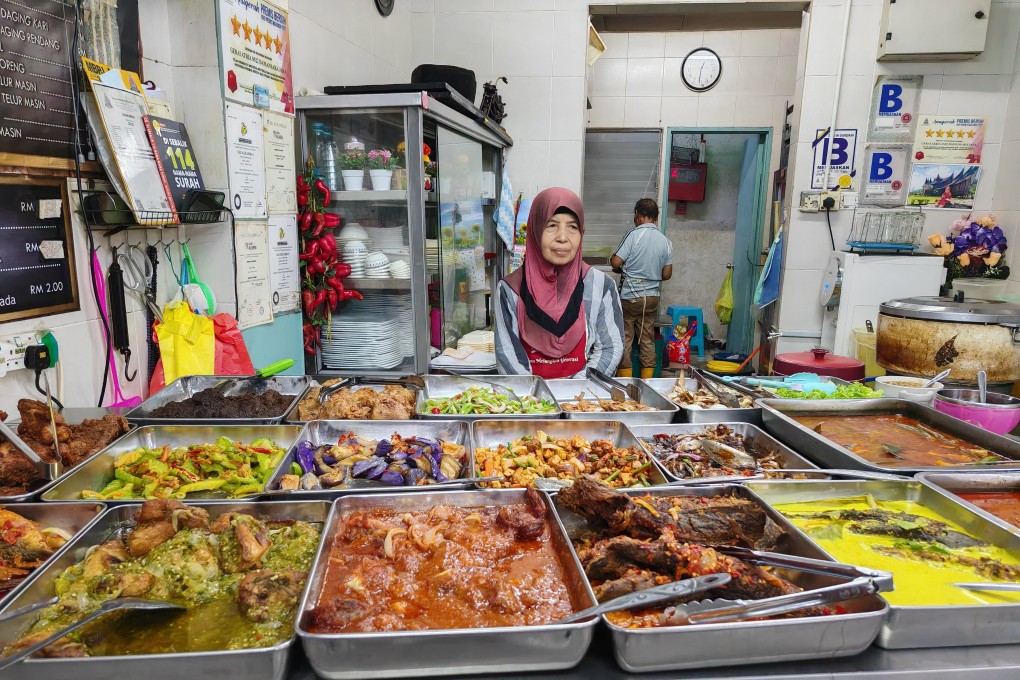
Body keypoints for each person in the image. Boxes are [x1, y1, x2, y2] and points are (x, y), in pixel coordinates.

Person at [495, 188, 624, 378]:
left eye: (572, 227)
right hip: (531, 403)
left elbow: (611, 347)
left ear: (582, 233)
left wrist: (575, 389)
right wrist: (541, 399)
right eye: (551, 225)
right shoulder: (509, 290)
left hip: (584, 400)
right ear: (535, 230)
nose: (563, 237)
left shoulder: (600, 285)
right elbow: (507, 357)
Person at [610, 198, 673, 379]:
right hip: (652, 298)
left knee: (626, 338)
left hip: (630, 297)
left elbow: (616, 262)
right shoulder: (665, 241)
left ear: (638, 214)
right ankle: (648, 384)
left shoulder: (634, 235)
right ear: (655, 217)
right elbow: (667, 274)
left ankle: (625, 382)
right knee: (647, 339)